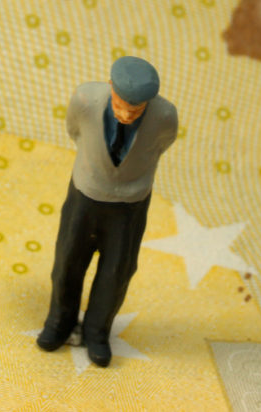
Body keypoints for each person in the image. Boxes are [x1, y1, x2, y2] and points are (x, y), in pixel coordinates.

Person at [37, 56, 178, 367]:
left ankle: (97, 331)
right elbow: (74, 131)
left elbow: (160, 145)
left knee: (117, 271)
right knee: (68, 262)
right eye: (120, 106)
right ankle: (59, 322)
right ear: (111, 86)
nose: (126, 115)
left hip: (130, 205)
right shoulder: (86, 100)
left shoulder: (165, 116)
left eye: (135, 111)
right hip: (85, 194)